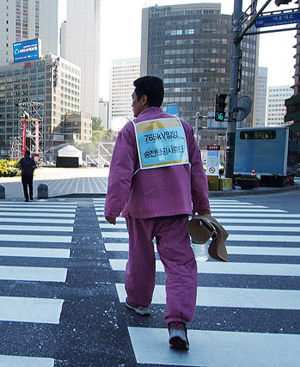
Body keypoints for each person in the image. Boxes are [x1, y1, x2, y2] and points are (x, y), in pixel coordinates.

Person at [104, 76, 210, 351]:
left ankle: (139, 302)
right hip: (176, 209)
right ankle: (177, 323)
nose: (131, 104)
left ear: (144, 100)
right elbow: (196, 169)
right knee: (181, 265)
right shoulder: (182, 128)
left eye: (133, 99)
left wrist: (113, 207)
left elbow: (120, 172)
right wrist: (202, 206)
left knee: (140, 257)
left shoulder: (132, 130)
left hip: (141, 209)